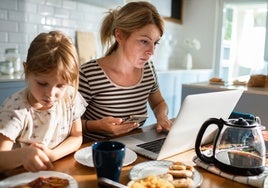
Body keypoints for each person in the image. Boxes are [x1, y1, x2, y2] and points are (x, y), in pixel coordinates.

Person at [79, 1, 172, 141]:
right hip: (94, 152)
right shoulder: (88, 74)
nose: (152, 52)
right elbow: (65, 124)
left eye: (155, 43)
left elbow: (159, 103)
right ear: (120, 36)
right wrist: (96, 126)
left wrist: (162, 116)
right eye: (144, 41)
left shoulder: (148, 69)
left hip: (135, 146)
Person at [0, 31, 87, 172]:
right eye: (42, 83)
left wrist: (53, 155)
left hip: (58, 170)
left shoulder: (70, 96)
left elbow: (76, 136)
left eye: (60, 85)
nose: (50, 94)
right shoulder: (15, 109)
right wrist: (23, 155)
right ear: (26, 69)